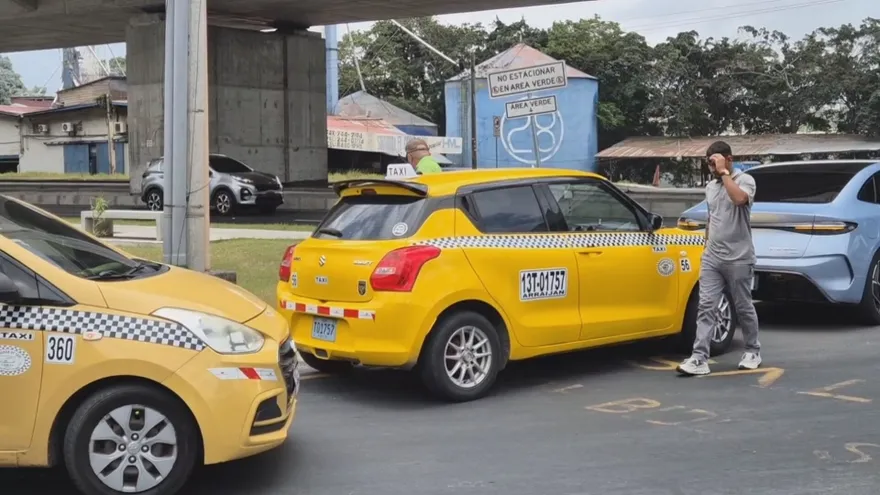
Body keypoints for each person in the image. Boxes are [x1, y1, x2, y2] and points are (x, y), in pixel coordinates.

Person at [677, 141, 762, 376]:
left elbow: (738, 199)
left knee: (743, 306)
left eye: (715, 161)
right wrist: (706, 246)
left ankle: (753, 350)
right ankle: (699, 358)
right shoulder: (710, 187)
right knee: (706, 306)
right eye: (709, 162)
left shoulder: (745, 180)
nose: (711, 166)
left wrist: (725, 173)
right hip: (713, 257)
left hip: (739, 258)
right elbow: (712, 217)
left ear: (728, 159)